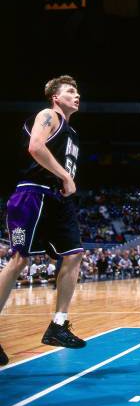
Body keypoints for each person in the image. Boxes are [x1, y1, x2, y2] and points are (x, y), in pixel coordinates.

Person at [0, 75, 85, 366]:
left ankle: (58, 325)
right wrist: (65, 176)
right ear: (55, 97)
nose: (77, 96)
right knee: (19, 261)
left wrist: (64, 182)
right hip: (32, 195)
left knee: (74, 256)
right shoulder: (48, 115)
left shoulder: (72, 133)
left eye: (77, 92)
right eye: (70, 91)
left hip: (57, 201)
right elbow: (35, 147)